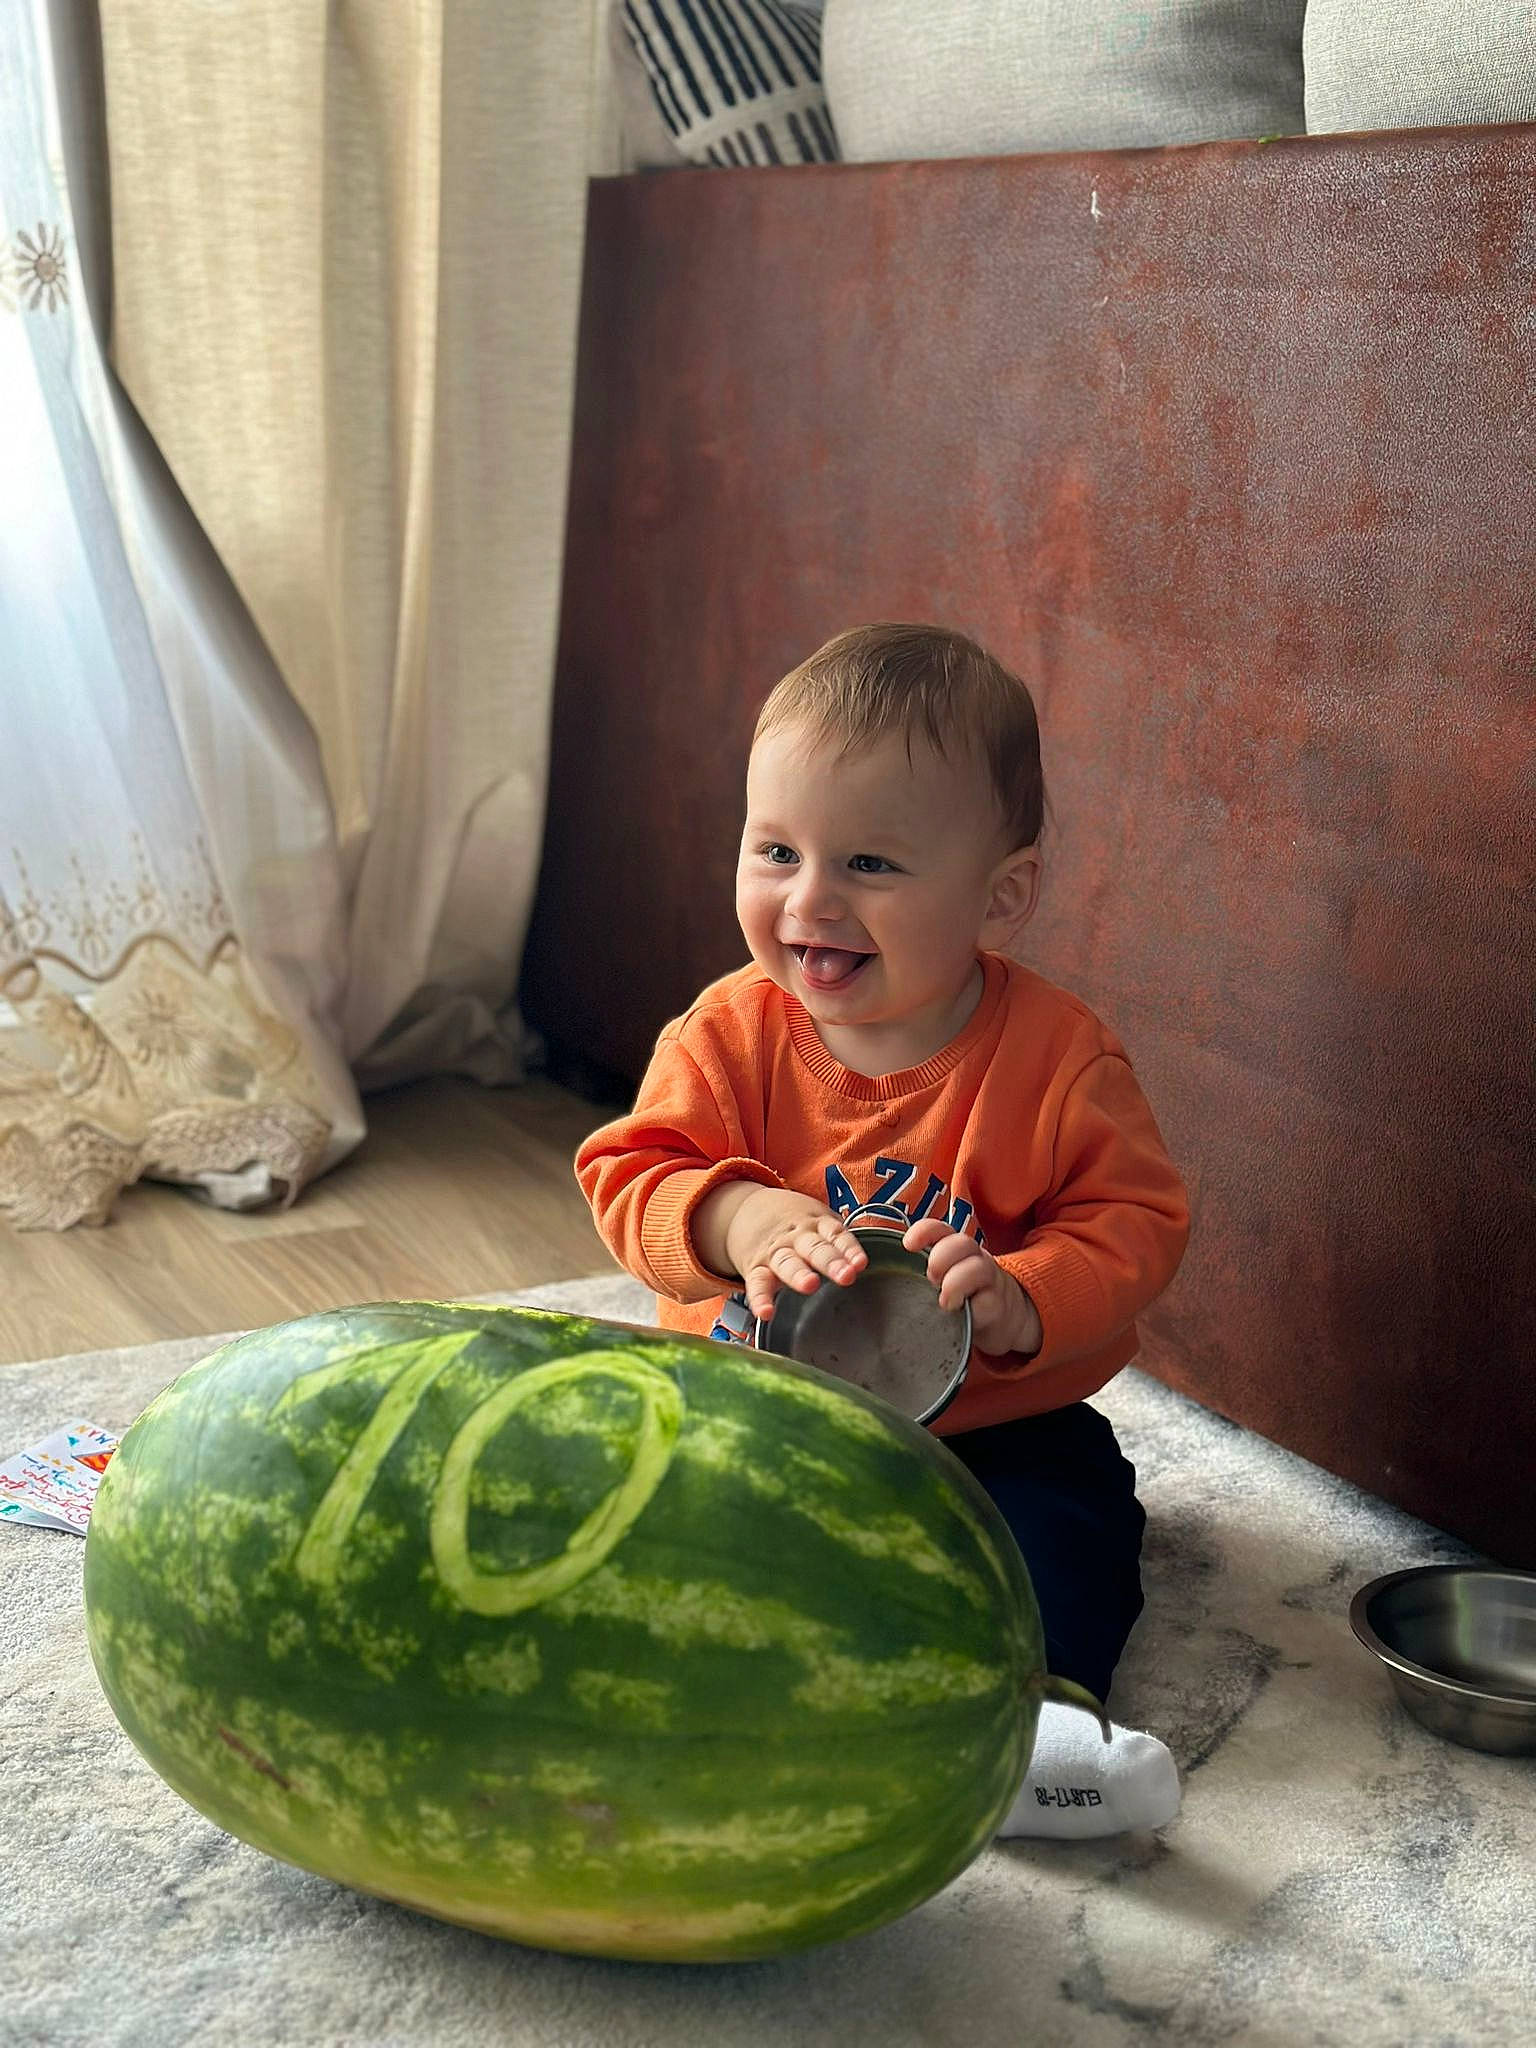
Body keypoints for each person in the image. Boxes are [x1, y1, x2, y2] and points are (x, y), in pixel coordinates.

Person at [575, 621, 1189, 1838]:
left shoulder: (1059, 1059)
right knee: (629, 1507)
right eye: (775, 850)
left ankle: (1033, 1730)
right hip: (744, 1406)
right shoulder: (727, 1032)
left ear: (999, 892)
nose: (811, 900)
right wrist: (736, 1212)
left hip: (987, 1433)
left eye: (868, 862)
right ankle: (691, 1703)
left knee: (1074, 1518)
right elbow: (627, 1174)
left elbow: (1138, 1220)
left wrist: (1027, 1293)